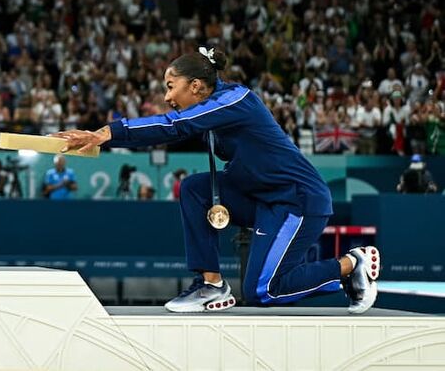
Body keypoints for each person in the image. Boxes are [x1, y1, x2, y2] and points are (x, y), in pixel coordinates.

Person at [54, 47, 380, 314]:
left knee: (263, 290)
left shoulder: (235, 100)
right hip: (262, 199)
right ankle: (212, 284)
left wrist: (107, 133)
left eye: (171, 86)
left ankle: (352, 265)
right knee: (194, 189)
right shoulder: (212, 109)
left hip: (298, 201)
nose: (167, 96)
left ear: (195, 85)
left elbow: (173, 125)